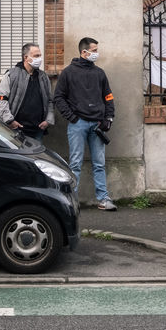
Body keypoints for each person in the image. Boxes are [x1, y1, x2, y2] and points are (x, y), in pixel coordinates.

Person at [52, 36, 116, 211]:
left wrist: (108, 119)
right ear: (84, 52)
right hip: (77, 124)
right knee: (75, 164)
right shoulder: (68, 73)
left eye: (96, 50)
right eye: (94, 51)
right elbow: (58, 97)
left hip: (98, 125)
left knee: (99, 164)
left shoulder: (99, 73)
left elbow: (108, 97)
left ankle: (103, 199)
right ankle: (71, 201)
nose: (97, 53)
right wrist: (72, 117)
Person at [0, 42, 54, 141]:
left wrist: (48, 120)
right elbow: (1, 98)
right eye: (36, 56)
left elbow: (50, 100)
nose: (39, 59)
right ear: (26, 57)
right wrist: (10, 120)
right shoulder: (12, 75)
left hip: (38, 130)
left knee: (37, 152)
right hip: (16, 129)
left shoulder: (43, 77)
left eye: (40, 55)